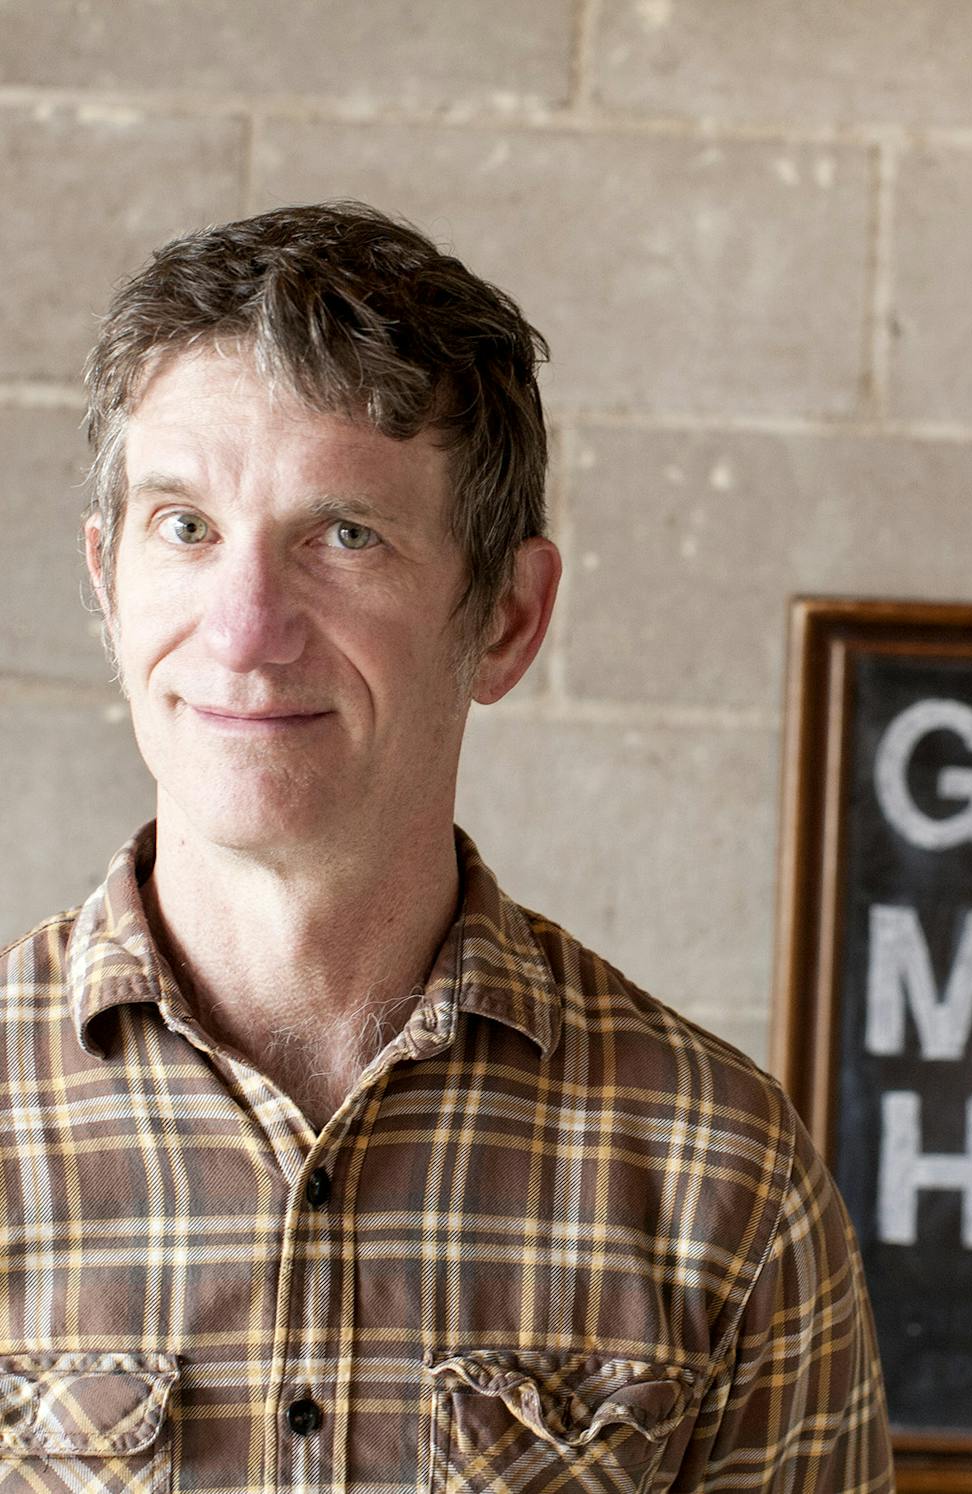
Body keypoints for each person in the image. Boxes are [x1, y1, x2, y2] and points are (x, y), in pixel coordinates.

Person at [0, 201, 893, 1490]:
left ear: (508, 620)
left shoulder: (720, 1181)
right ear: (107, 580)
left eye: (343, 536)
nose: (243, 630)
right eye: (184, 527)